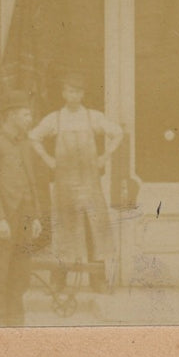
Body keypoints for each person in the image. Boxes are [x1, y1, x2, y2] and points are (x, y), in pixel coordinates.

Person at [29, 71, 122, 293]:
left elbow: (118, 133)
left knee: (94, 228)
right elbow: (33, 137)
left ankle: (97, 279)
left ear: (83, 94)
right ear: (63, 93)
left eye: (78, 91)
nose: (73, 95)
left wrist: (104, 157)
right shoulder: (55, 118)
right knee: (64, 228)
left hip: (90, 183)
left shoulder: (93, 117)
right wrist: (48, 159)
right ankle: (59, 279)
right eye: (70, 91)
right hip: (65, 185)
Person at [0, 89, 44, 326]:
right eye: (26, 115)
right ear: (12, 116)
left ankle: (16, 326)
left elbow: (32, 181)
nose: (30, 119)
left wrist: (36, 216)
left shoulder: (25, 145)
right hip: (5, 221)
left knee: (21, 276)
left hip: (25, 219)